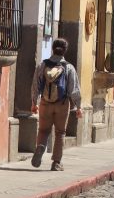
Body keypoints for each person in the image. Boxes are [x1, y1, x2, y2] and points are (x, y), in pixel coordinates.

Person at [31, 38, 82, 171]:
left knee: (43, 130)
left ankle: (40, 147)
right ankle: (56, 163)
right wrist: (79, 107)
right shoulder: (69, 67)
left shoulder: (42, 65)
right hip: (62, 104)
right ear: (65, 50)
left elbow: (35, 85)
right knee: (60, 132)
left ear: (52, 49)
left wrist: (34, 103)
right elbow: (74, 89)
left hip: (45, 103)